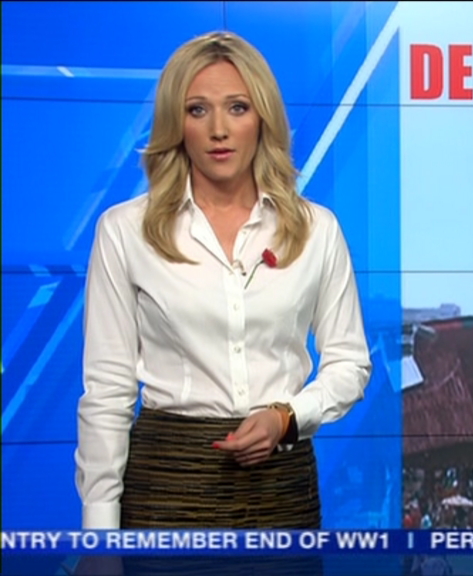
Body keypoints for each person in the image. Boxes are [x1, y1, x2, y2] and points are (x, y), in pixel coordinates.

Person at [73, 30, 372, 573]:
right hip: (166, 497)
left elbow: (350, 364)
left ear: (262, 118)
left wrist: (287, 417)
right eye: (197, 110)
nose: (218, 129)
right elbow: (108, 391)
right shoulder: (125, 232)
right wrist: (99, 539)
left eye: (237, 107)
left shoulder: (317, 230)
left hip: (281, 498)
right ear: (176, 124)